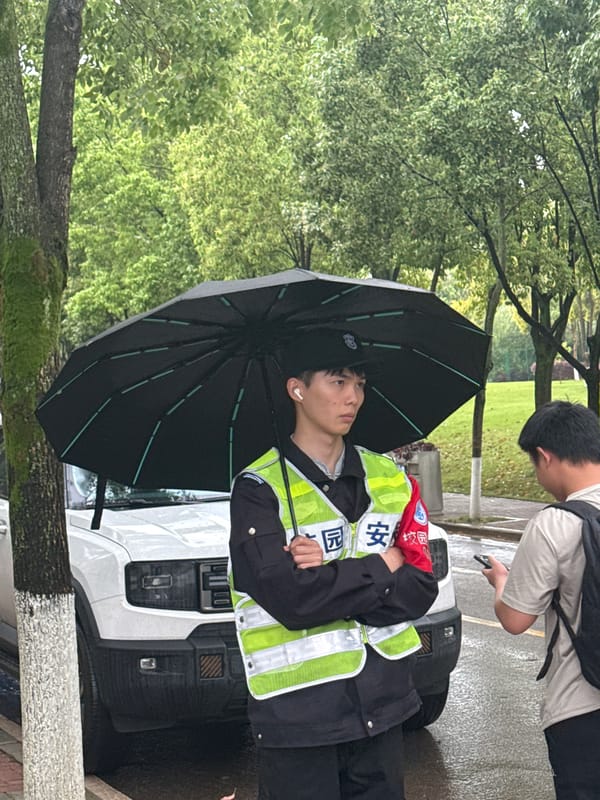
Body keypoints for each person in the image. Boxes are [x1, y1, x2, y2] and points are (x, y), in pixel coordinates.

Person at [228, 328, 438, 800]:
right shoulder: (258, 490)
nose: (354, 398)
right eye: (338, 382)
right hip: (298, 721)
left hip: (382, 709)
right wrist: (385, 564)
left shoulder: (390, 479)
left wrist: (330, 579)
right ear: (297, 390)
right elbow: (293, 602)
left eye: (359, 384)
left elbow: (422, 587)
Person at [481, 401, 600, 800]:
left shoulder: (555, 523)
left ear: (545, 456)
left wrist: (501, 582)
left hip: (581, 708)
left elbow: (516, 619)